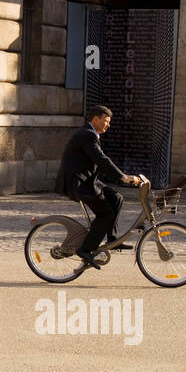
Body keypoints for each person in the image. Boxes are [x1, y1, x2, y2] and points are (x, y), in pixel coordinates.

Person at [53, 104, 143, 270]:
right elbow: (101, 159)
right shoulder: (87, 135)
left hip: (89, 181)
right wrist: (123, 177)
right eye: (106, 121)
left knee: (116, 198)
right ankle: (85, 249)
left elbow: (100, 161)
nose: (108, 125)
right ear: (96, 119)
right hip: (79, 183)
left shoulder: (89, 134)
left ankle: (112, 240)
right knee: (105, 214)